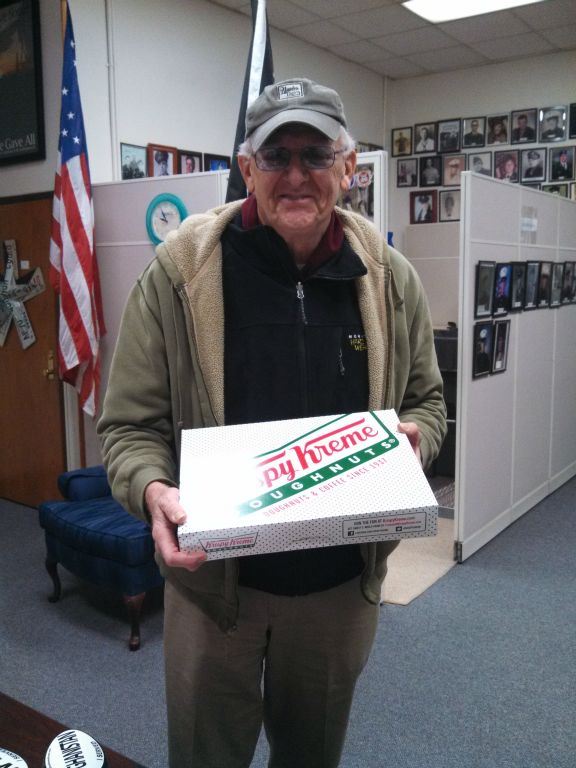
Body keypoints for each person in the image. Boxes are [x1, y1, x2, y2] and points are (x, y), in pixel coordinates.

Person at [98, 77, 446, 768]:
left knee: (311, 756)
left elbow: (428, 403)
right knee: (204, 756)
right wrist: (150, 490)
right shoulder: (178, 275)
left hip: (337, 591)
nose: (295, 175)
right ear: (246, 165)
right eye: (276, 155)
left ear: (348, 167)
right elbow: (128, 428)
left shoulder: (390, 278)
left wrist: (414, 440)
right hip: (213, 589)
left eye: (315, 156)